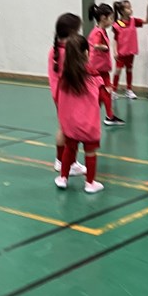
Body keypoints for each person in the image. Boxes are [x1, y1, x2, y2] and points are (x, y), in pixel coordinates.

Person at [55, 34, 104, 193]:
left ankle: (63, 178)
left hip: (71, 125)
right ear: (86, 53)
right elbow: (102, 97)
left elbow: (60, 99)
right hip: (89, 124)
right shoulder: (93, 75)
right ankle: (90, 183)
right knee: (90, 152)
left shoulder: (64, 77)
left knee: (70, 149)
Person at [48, 13, 87, 176]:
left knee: (64, 128)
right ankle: (67, 162)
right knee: (70, 131)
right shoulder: (70, 52)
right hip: (69, 97)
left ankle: (63, 161)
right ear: (72, 32)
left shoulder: (54, 50)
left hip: (59, 95)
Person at [87, 3, 125, 126]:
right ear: (103, 18)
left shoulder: (101, 31)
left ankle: (104, 115)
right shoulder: (98, 32)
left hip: (102, 68)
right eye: (111, 18)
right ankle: (107, 116)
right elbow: (96, 45)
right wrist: (104, 47)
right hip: (97, 69)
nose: (112, 21)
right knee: (105, 91)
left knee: (105, 92)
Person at [112, 0, 148, 99]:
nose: (130, 9)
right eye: (128, 8)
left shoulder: (134, 21)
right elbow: (115, 39)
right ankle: (113, 91)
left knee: (129, 70)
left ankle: (129, 90)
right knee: (118, 70)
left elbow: (146, 21)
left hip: (130, 52)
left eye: (130, 7)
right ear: (122, 11)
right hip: (121, 53)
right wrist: (115, 51)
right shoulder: (118, 24)